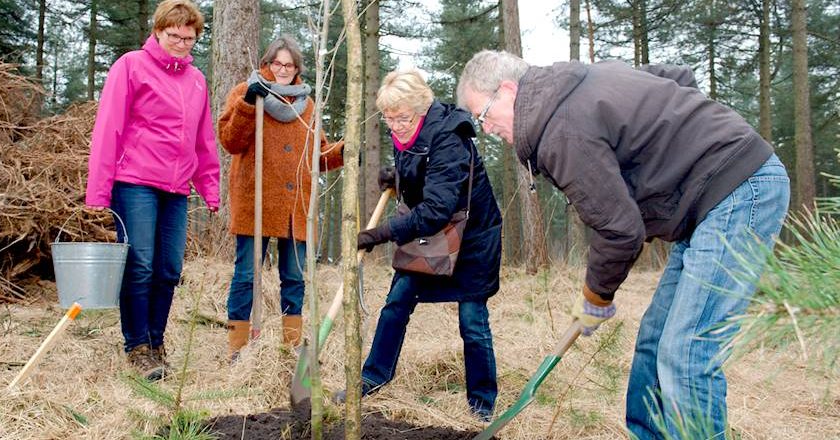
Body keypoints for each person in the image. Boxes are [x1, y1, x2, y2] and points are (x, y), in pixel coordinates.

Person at [456, 50, 790, 438]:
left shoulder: (562, 130)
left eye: (484, 116)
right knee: (654, 340)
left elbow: (620, 231)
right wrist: (676, 157)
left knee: (685, 354)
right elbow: (675, 75)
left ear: (509, 91)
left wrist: (595, 298)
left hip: (740, 190)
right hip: (706, 205)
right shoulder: (579, 83)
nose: (488, 130)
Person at [337, 70, 503, 422]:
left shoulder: (449, 139)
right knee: (397, 301)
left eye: (403, 118)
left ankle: (483, 403)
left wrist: (380, 234)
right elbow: (422, 177)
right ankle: (373, 377)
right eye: (388, 117)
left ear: (421, 110)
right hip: (432, 235)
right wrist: (397, 178)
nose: (395, 125)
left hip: (471, 236)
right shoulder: (407, 133)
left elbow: (436, 206)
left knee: (473, 320)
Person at [85, 0, 220, 381]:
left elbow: (203, 140)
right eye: (173, 35)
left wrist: (209, 187)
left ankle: (157, 341)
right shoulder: (131, 66)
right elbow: (108, 128)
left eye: (188, 38)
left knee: (169, 268)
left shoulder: (196, 81)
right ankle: (137, 346)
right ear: (158, 32)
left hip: (176, 188)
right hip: (134, 183)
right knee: (140, 265)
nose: (181, 43)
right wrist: (99, 190)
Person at [218, 36, 344, 359]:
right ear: (267, 63)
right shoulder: (247, 91)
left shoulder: (307, 105)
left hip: (294, 206)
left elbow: (319, 154)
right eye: (277, 63)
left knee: (294, 276)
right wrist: (248, 102)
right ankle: (237, 349)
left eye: (289, 65)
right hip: (255, 202)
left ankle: (290, 348)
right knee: (247, 275)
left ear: (297, 68)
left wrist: (345, 150)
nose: (283, 70)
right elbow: (230, 141)